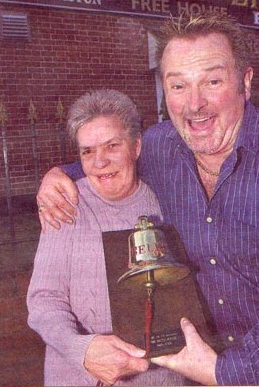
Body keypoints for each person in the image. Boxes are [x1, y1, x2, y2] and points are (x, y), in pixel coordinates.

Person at [36, 13, 259, 386]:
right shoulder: (161, 146)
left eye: (212, 81)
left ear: (244, 83)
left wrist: (224, 372)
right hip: (191, 372)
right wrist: (59, 175)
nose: (194, 105)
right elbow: (109, 159)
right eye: (178, 86)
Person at [27, 89, 184, 386]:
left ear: (136, 147)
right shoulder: (66, 204)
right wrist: (82, 350)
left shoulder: (165, 201)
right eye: (87, 151)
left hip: (156, 376)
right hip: (78, 374)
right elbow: (44, 299)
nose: (99, 162)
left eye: (112, 146)